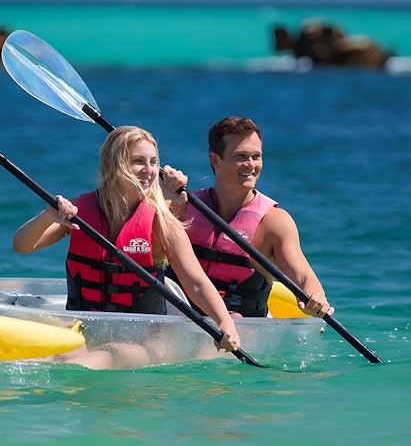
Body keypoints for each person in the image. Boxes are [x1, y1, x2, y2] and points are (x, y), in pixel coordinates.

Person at [13, 125, 241, 359]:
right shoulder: (80, 212)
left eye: (153, 162)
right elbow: (22, 245)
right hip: (89, 332)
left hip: (147, 341)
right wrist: (47, 216)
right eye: (138, 161)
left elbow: (196, 283)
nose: (149, 170)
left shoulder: (160, 222)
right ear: (111, 164)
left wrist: (225, 322)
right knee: (53, 357)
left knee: (102, 357)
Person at [162, 116, 334, 319]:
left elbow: (303, 275)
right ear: (215, 160)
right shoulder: (183, 205)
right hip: (179, 313)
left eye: (256, 156)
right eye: (241, 156)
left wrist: (316, 296)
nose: (251, 165)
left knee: (235, 319)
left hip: (241, 325)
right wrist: (162, 194)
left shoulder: (273, 222)